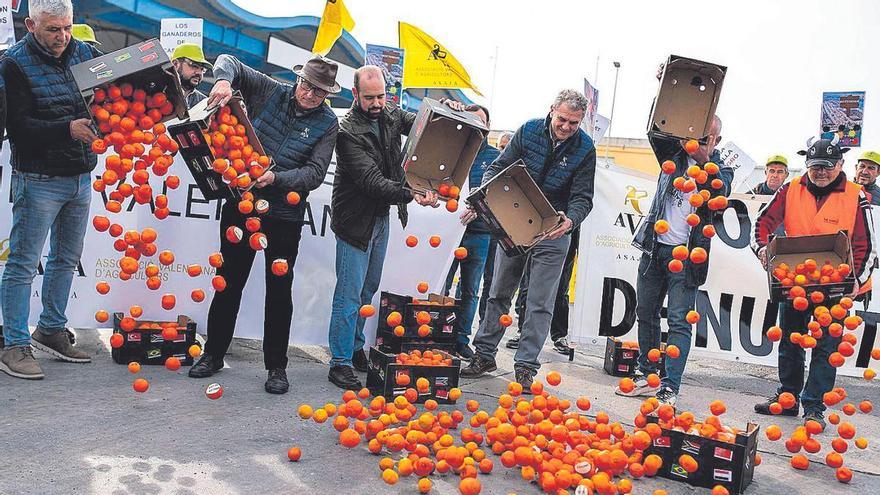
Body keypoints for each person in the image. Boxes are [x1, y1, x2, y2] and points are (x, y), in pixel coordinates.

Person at [187, 55, 340, 395]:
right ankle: (213, 354)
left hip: (284, 216)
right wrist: (224, 81)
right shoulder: (272, 91)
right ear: (298, 79)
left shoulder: (329, 123)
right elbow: (229, 61)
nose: (310, 94)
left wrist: (276, 177)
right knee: (228, 282)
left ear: (328, 94)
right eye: (307, 85)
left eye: (319, 91)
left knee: (279, 291)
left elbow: (314, 174)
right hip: (241, 206)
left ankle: (276, 367)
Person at [327, 66, 459, 390]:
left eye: (381, 96)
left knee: (367, 288)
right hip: (355, 222)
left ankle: (356, 347)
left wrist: (444, 113)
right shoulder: (347, 132)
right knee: (348, 295)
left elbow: (417, 124)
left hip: (380, 219)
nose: (376, 103)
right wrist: (412, 194)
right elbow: (373, 182)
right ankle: (340, 362)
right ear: (355, 94)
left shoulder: (388, 113)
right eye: (369, 97)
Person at [461, 89, 597, 389]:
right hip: (515, 219)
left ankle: (525, 367)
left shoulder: (586, 148)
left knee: (540, 302)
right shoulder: (529, 130)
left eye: (574, 123)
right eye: (562, 119)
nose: (566, 127)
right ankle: (484, 354)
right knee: (499, 291)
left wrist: (570, 220)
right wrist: (487, 196)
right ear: (552, 110)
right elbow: (497, 168)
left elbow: (583, 198)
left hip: (553, 227)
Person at [0, 0, 101, 380]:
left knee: (65, 259)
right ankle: (13, 344)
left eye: (66, 28)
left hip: (80, 174)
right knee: (23, 263)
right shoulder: (13, 63)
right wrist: (67, 129)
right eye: (52, 30)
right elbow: (19, 127)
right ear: (30, 25)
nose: (61, 38)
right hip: (39, 178)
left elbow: (110, 88)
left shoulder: (84, 51)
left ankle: (52, 329)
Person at [751, 136, 875, 429]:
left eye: (828, 167)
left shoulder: (856, 195)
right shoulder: (790, 189)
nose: (821, 172)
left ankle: (814, 405)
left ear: (841, 165)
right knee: (791, 341)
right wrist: (761, 248)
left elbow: (866, 244)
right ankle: (788, 398)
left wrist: (857, 281)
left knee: (826, 345)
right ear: (807, 165)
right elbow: (763, 221)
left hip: (836, 283)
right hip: (796, 280)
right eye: (815, 166)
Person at [616, 114, 732, 406]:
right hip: (655, 247)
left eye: (705, 138)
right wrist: (666, 88)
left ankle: (669, 386)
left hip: (688, 256)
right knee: (646, 312)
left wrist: (702, 156)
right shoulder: (672, 155)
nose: (695, 142)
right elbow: (658, 125)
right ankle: (647, 373)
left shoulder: (722, 170)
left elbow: (721, 191)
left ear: (716, 141)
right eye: (694, 135)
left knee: (679, 321)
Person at [441, 104, 499, 359]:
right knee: (440, 283)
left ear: (487, 128)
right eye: (470, 120)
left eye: (481, 122)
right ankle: (439, 334)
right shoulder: (450, 149)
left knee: (470, 289)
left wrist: (479, 208)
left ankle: (461, 339)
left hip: (479, 233)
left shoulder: (495, 156)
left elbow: (499, 193)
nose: (476, 126)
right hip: (447, 231)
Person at [507, 228, 580, 354]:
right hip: (541, 225)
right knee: (529, 282)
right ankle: (523, 332)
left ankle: (559, 336)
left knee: (562, 286)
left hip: (570, 228)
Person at [171, 44, 211, 109]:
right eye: (194, 66)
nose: (199, 73)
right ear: (175, 64)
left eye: (202, 69)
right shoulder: (159, 94)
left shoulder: (204, 103)